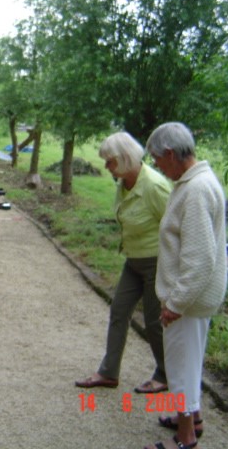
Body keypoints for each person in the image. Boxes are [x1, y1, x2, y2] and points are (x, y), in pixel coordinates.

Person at [143, 122, 227, 449]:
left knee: (181, 368)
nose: (156, 166)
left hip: (188, 300)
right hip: (193, 297)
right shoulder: (193, 182)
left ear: (170, 153)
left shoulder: (195, 190)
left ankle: (186, 437)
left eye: (156, 159)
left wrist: (175, 303)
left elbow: (199, 258)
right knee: (188, 362)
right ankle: (191, 419)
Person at [75, 132, 171, 394]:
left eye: (109, 162)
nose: (106, 167)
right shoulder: (123, 182)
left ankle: (165, 374)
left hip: (155, 262)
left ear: (125, 158)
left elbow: (176, 229)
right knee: (118, 311)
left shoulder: (154, 186)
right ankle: (108, 372)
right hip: (133, 260)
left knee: (153, 321)